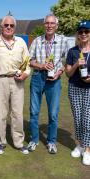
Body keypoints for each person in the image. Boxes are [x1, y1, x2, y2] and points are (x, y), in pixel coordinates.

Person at [0, 15, 30, 155]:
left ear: (15, 28)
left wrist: (25, 74)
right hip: (0, 80)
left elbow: (27, 63)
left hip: (18, 80)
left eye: (11, 25)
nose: (9, 28)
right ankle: (1, 142)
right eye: (6, 25)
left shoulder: (21, 42)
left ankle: (18, 142)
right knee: (1, 112)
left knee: (17, 113)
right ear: (1, 27)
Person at [28, 14, 69, 154]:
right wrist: (41, 66)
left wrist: (59, 72)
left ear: (56, 26)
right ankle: (34, 140)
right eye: (47, 23)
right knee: (34, 112)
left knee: (53, 113)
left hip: (54, 80)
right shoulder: (37, 41)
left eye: (52, 23)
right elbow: (30, 60)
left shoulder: (63, 40)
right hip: (38, 78)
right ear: (44, 25)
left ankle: (51, 141)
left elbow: (67, 61)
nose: (49, 25)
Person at [65, 20, 90, 165]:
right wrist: (76, 64)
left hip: (89, 89)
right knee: (78, 118)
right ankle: (80, 145)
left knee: (87, 119)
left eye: (86, 31)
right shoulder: (73, 51)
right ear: (77, 35)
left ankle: (87, 150)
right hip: (74, 87)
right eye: (81, 32)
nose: (84, 34)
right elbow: (68, 73)